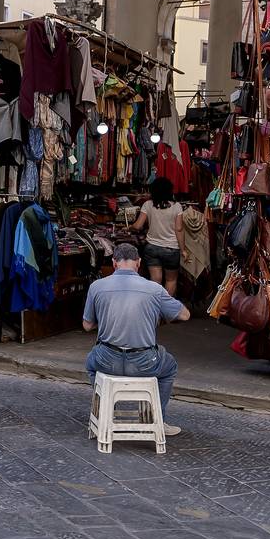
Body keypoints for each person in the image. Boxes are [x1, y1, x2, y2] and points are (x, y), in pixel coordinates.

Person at [83, 243, 190, 436]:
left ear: (114, 263)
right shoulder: (154, 289)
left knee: (91, 364)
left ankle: (104, 410)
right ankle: (158, 420)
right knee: (169, 366)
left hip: (107, 360)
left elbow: (87, 325)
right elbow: (184, 315)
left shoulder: (96, 287)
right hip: (145, 363)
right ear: (139, 263)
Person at [130, 177, 185, 296]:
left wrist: (129, 227)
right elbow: (179, 229)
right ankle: (166, 310)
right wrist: (183, 250)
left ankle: (155, 310)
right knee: (171, 280)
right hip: (172, 248)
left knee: (155, 280)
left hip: (152, 247)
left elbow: (138, 226)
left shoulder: (148, 205)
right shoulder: (177, 207)